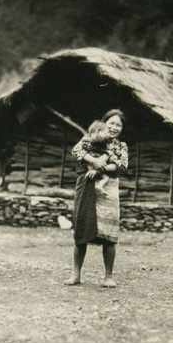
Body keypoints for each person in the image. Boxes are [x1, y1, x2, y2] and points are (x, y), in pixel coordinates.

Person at [64, 109, 128, 288]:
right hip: (86, 185)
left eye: (118, 125)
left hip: (109, 187)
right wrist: (93, 160)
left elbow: (121, 165)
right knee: (81, 227)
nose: (114, 127)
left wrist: (100, 167)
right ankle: (76, 274)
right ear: (104, 123)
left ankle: (108, 276)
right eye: (111, 123)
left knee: (109, 233)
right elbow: (76, 152)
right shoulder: (88, 138)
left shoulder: (120, 146)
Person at [82, 120, 123, 196]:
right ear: (99, 131)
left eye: (118, 125)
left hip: (91, 166)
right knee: (106, 178)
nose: (108, 134)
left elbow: (121, 164)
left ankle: (99, 186)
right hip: (95, 164)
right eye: (107, 132)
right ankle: (100, 186)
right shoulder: (101, 140)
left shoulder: (87, 139)